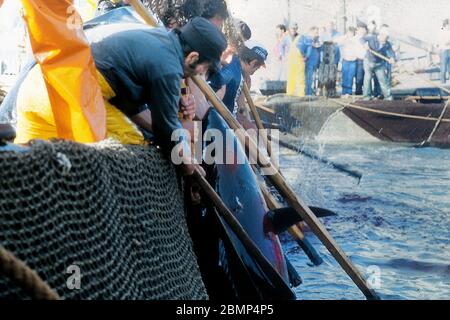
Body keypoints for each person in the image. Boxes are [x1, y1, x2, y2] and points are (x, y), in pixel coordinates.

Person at [15, 17, 227, 176]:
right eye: (203, 69)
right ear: (193, 57)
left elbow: (131, 108)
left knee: (20, 168)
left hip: (39, 84)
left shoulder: (160, 39)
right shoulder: (169, 68)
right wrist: (189, 166)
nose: (199, 75)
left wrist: (177, 134)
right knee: (133, 152)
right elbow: (167, 130)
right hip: (71, 95)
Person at [209, 39, 268, 129]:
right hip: (222, 126)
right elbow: (228, 111)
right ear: (253, 63)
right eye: (258, 66)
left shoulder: (234, 63)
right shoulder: (235, 76)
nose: (258, 68)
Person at [361, 27, 394, 101]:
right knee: (368, 78)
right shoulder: (372, 38)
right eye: (385, 37)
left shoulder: (387, 43)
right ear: (381, 35)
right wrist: (364, 44)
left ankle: (388, 97)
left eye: (387, 38)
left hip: (379, 64)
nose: (386, 40)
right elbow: (362, 39)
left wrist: (392, 58)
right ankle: (366, 97)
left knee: (383, 79)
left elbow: (391, 51)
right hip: (368, 62)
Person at [299, 26, 322, 96]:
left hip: (315, 63)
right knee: (308, 79)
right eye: (315, 32)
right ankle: (307, 93)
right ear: (311, 32)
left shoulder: (317, 41)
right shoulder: (306, 39)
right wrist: (304, 56)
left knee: (312, 79)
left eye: (317, 32)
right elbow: (300, 48)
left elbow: (320, 49)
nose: (317, 34)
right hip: (308, 63)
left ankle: (310, 92)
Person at [336, 27, 358, 96]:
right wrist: (345, 37)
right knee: (345, 76)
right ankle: (344, 91)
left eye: (352, 32)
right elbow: (338, 43)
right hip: (345, 60)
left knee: (351, 76)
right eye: (349, 32)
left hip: (353, 60)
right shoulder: (343, 39)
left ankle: (349, 91)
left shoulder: (356, 39)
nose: (351, 34)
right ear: (347, 32)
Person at [286, 25, 305, 97]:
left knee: (300, 78)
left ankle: (301, 95)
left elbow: (304, 47)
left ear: (297, 29)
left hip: (299, 60)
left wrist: (304, 56)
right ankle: (289, 94)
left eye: (295, 28)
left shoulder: (300, 37)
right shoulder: (287, 38)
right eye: (292, 28)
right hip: (290, 61)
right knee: (290, 78)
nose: (293, 30)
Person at [354, 22, 368, 95]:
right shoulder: (354, 38)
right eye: (361, 29)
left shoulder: (368, 38)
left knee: (367, 77)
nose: (362, 31)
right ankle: (358, 91)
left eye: (364, 29)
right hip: (358, 60)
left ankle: (367, 92)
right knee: (359, 77)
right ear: (357, 30)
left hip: (367, 60)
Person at [439, 19, 450, 84]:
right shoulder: (442, 32)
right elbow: (443, 42)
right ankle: (443, 84)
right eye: (449, 24)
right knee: (443, 69)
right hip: (444, 51)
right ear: (445, 25)